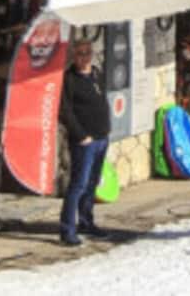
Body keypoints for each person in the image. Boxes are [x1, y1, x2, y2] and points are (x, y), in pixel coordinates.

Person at [57, 38, 113, 246]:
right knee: (78, 184)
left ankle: (86, 222)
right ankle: (67, 229)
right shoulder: (69, 79)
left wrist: (106, 129)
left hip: (101, 137)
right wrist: (81, 135)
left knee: (92, 183)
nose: (85, 57)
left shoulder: (96, 74)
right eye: (80, 53)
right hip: (84, 141)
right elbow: (65, 111)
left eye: (88, 52)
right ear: (74, 56)